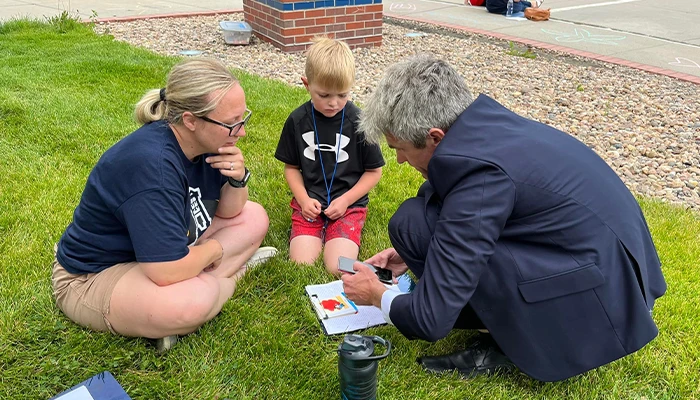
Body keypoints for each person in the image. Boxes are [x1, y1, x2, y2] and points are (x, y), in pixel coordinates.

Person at [341, 54, 667, 382]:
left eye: (400, 148)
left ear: (435, 137)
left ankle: (520, 339)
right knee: (415, 223)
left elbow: (429, 319)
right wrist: (411, 258)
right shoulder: (483, 124)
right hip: (609, 268)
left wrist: (377, 295)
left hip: (600, 304)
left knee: (414, 223)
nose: (397, 160)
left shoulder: (480, 176)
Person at [52, 58, 277, 352]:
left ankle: (184, 297)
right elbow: (166, 271)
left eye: (242, 119)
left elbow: (230, 212)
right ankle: (234, 275)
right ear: (190, 120)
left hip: (161, 255)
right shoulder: (153, 167)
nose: (242, 133)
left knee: (255, 216)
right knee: (187, 306)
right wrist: (216, 251)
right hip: (93, 276)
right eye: (232, 124)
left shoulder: (205, 144)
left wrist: (238, 179)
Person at [274, 37, 384, 275]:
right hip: (309, 204)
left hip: (349, 205)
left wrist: (345, 201)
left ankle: (340, 230)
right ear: (306, 85)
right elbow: (291, 167)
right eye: (324, 95)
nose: (334, 103)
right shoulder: (297, 120)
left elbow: (374, 171)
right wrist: (303, 200)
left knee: (337, 267)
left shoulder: (361, 122)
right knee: (301, 264)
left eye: (342, 95)